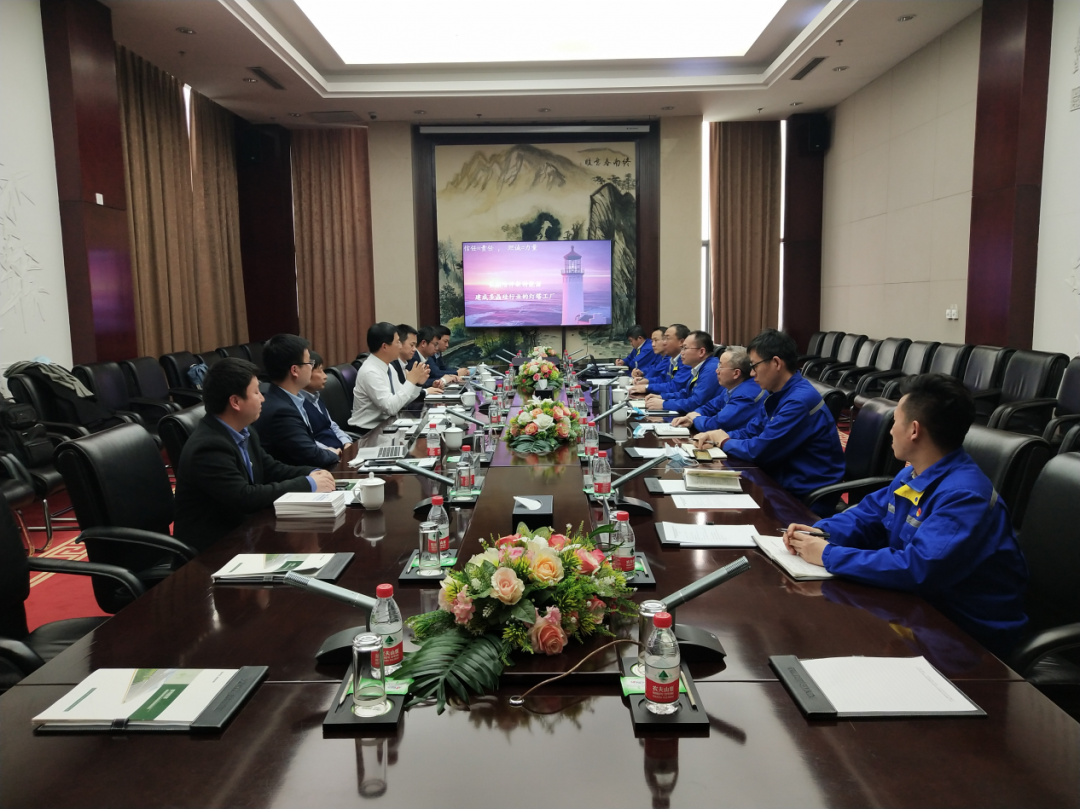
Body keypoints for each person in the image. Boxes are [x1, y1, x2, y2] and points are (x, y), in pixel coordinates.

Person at [782, 373, 1028, 656]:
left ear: (913, 430)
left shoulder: (965, 497)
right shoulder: (912, 475)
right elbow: (865, 516)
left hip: (967, 637)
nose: (890, 431)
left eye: (895, 421)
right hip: (916, 610)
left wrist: (828, 555)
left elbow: (917, 568)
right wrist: (821, 532)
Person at [174, 358, 335, 551]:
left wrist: (312, 473)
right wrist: (307, 484)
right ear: (235, 402)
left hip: (246, 534)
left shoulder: (244, 431)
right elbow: (245, 497)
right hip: (214, 550)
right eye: (256, 392)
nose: (262, 398)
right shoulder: (208, 447)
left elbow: (271, 468)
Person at [693, 329, 844, 513]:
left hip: (803, 494)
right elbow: (752, 430)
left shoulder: (798, 401)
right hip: (780, 478)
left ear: (776, 363)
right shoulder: (778, 393)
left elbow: (760, 451)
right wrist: (716, 437)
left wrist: (724, 441)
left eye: (755, 366)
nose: (751, 373)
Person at [252, 334, 340, 468]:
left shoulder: (288, 398)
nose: (311, 367)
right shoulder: (281, 411)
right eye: (309, 363)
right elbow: (311, 456)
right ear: (295, 370)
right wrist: (333, 453)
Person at [349, 321, 429, 432]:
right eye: (397, 342)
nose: (400, 346)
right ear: (385, 346)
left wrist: (417, 384)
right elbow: (391, 408)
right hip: (367, 431)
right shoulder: (370, 371)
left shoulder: (389, 367)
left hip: (386, 425)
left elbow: (401, 401)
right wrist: (410, 381)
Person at [672, 346, 764, 432]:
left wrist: (695, 419)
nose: (717, 370)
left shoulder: (746, 395)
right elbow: (711, 406)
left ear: (736, 373)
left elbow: (717, 424)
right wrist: (692, 416)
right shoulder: (732, 386)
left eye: (721, 367)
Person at [642, 330, 720, 415]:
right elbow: (686, 393)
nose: (681, 352)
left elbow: (696, 403)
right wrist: (662, 397)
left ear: (701, 352)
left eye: (685, 348)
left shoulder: (711, 369)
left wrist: (664, 404)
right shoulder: (699, 367)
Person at [302, 351, 355, 453]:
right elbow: (309, 442)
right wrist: (331, 452)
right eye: (320, 371)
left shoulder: (316, 397)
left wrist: (346, 442)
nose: (325, 376)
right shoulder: (298, 404)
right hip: (326, 455)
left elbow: (332, 425)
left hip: (340, 449)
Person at [630, 324, 691, 396]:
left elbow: (674, 387)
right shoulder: (672, 359)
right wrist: (647, 381)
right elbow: (662, 378)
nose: (664, 342)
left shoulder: (687, 361)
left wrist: (647, 387)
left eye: (667, 338)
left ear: (681, 342)